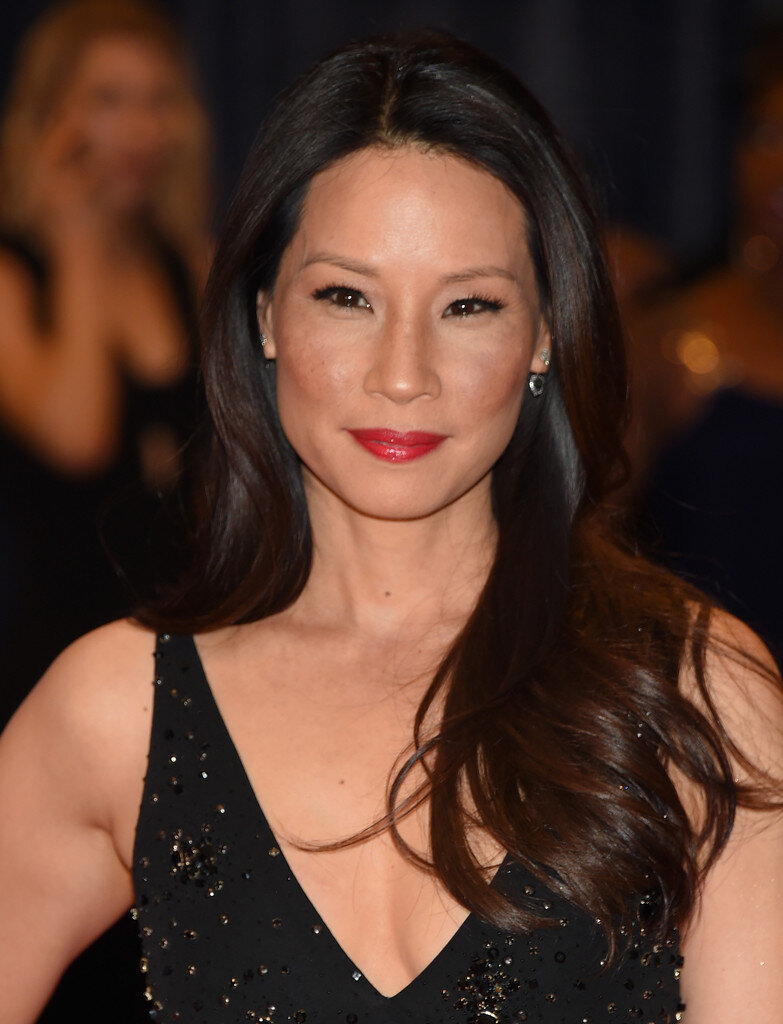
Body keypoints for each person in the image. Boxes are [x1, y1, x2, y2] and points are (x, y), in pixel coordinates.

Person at [1, 30, 781, 1024]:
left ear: (544, 331)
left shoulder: (698, 694)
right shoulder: (118, 710)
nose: (402, 373)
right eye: (346, 297)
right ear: (265, 314)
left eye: (467, 305)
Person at [0, 2, 210, 1021]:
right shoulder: (14, 273)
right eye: (106, 100)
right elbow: (78, 434)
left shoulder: (194, 265)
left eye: (155, 100)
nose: (135, 128)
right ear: (51, 118)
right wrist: (77, 237)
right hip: (55, 668)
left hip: (188, 663)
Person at [630, 22, 783, 667]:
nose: (775, 167)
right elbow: (584, 540)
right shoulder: (674, 337)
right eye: (764, 135)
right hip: (706, 694)